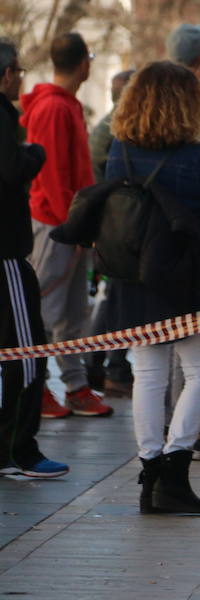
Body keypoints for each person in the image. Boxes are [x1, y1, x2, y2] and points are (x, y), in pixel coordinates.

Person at [105, 61, 200, 513]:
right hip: (189, 281)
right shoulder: (194, 158)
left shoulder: (119, 150)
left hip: (136, 277)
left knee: (148, 374)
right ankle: (174, 468)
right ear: (188, 104)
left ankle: (149, 476)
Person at [19, 32, 113, 418]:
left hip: (69, 224)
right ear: (84, 63)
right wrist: (71, 227)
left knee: (73, 311)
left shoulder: (66, 105)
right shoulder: (54, 108)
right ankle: (36, 389)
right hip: (55, 224)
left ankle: (75, 386)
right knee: (45, 311)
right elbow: (53, 175)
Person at [0, 39, 69, 478]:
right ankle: (19, 448)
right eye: (19, 71)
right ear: (6, 73)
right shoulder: (3, 114)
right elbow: (11, 170)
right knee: (27, 352)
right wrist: (35, 153)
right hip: (5, 256)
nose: (22, 79)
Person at [86, 68, 135, 398]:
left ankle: (102, 364)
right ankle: (110, 366)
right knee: (118, 296)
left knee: (115, 296)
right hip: (117, 224)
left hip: (111, 222)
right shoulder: (119, 128)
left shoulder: (111, 124)